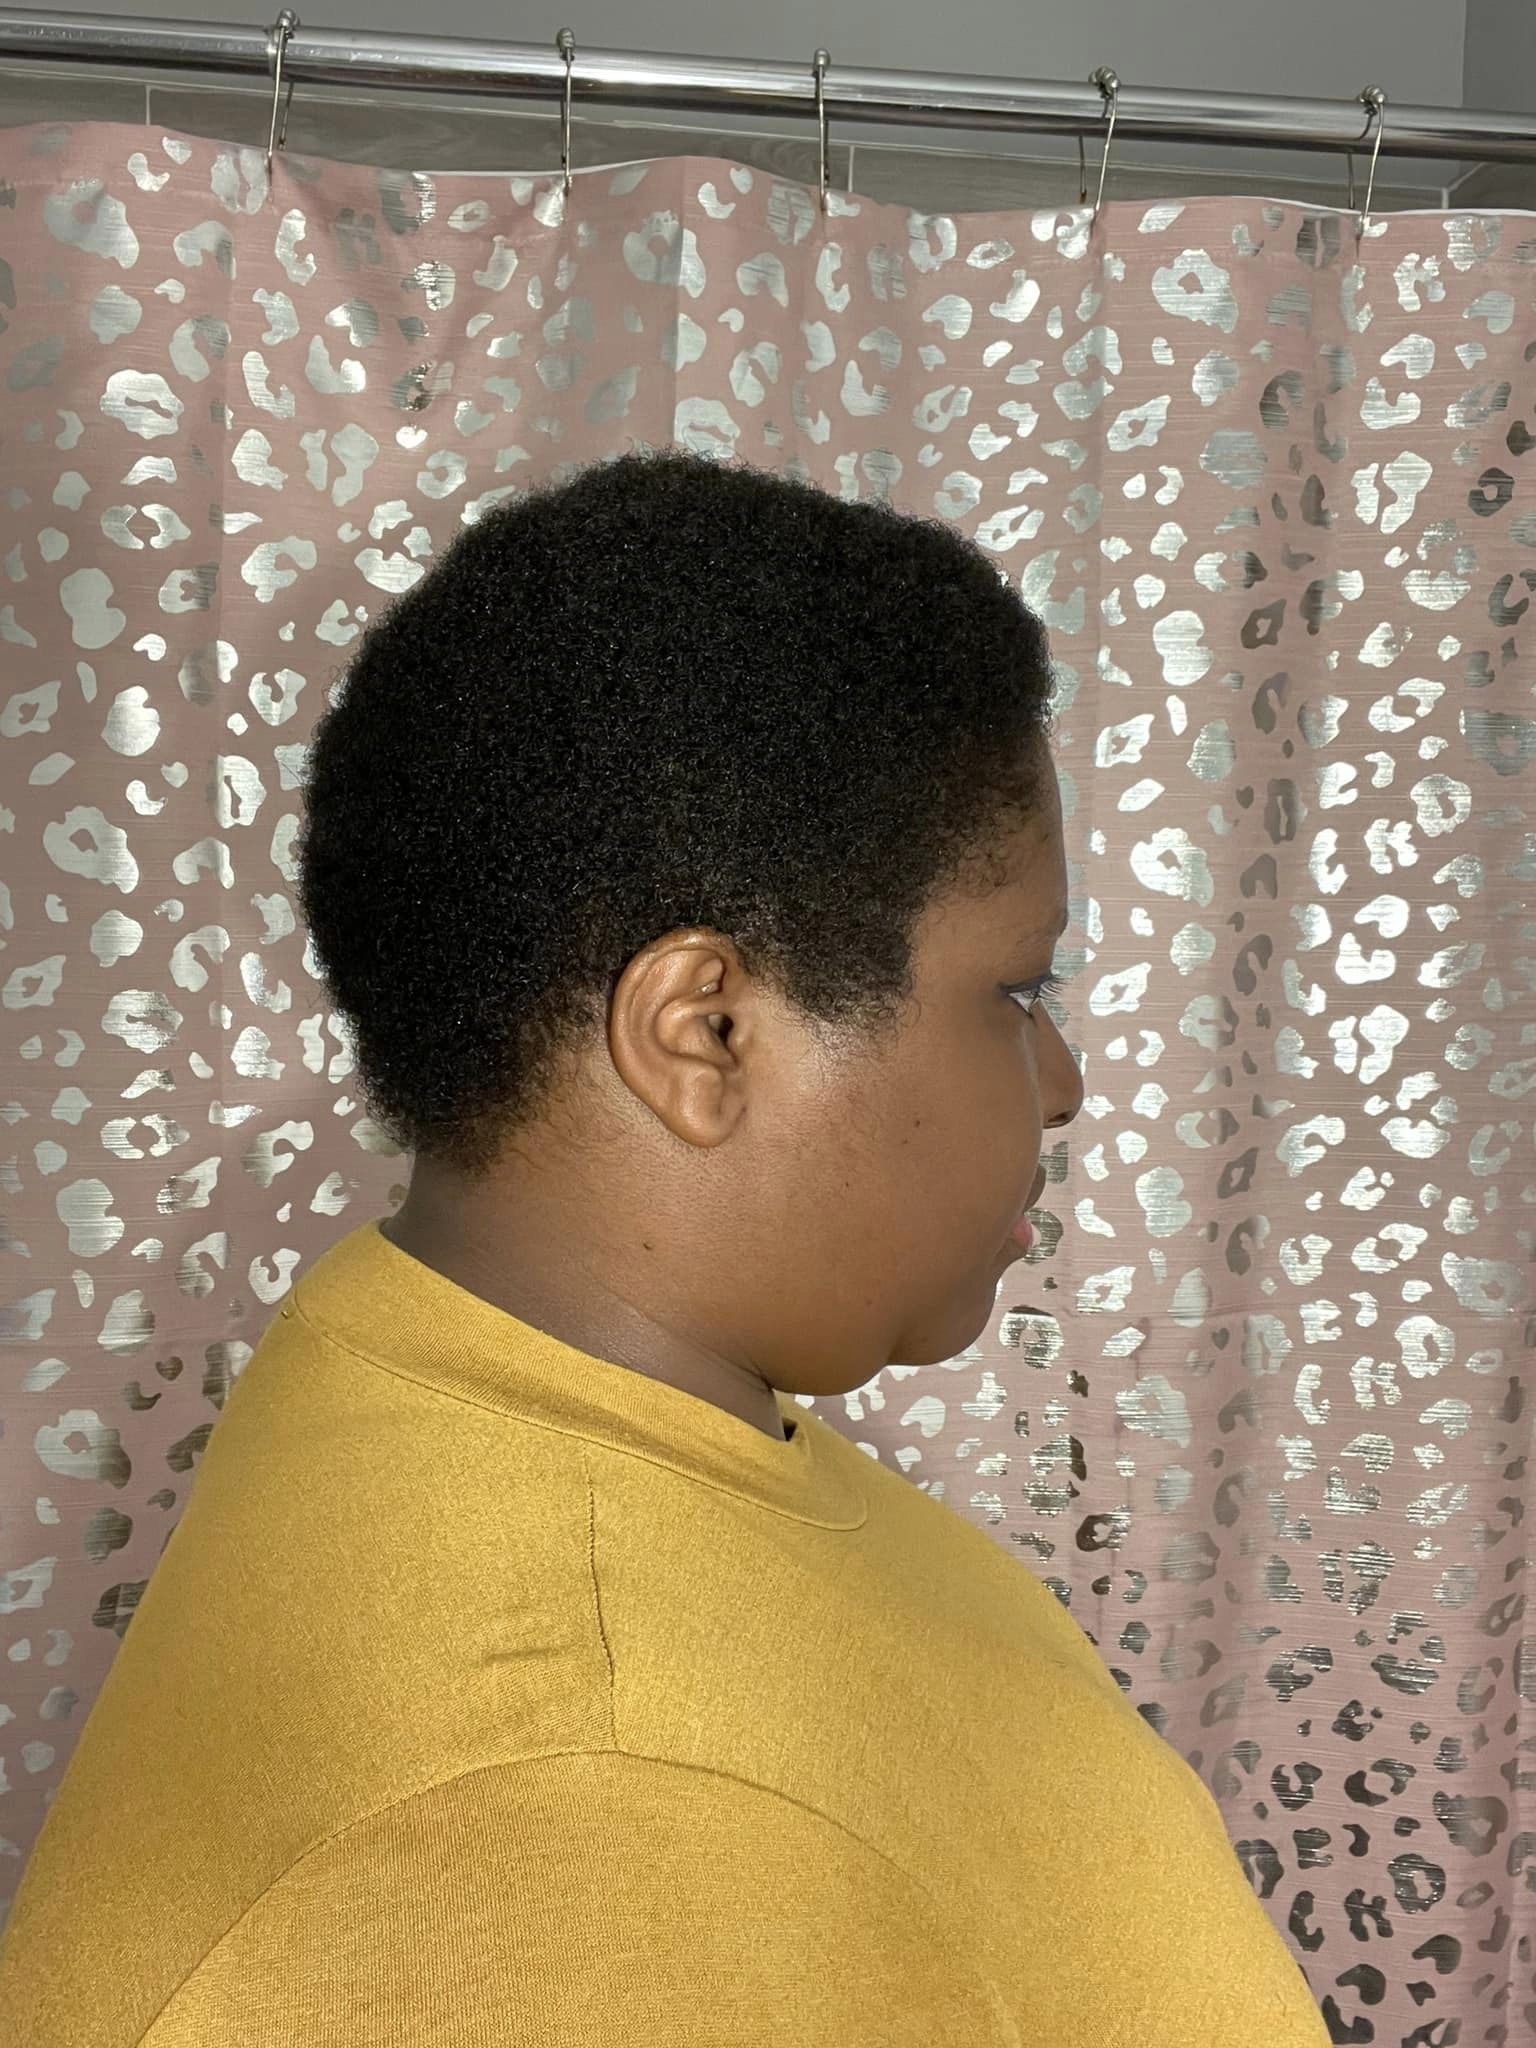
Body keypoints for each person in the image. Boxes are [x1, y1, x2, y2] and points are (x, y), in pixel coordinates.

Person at [1, 452, 1327, 2045]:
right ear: (703, 1032)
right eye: (1015, 992)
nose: (1063, 1084)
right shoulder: (577, 1806)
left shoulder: (563, 1426)